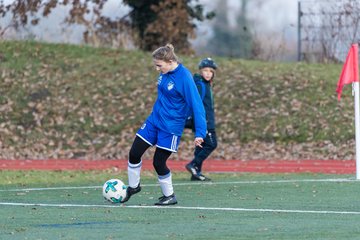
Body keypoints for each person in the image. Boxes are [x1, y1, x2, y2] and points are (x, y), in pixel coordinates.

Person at [120, 44, 207, 206]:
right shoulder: (165, 73)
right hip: (154, 121)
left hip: (170, 127)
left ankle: (170, 196)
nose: (157, 69)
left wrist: (200, 133)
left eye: (159, 65)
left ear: (170, 61)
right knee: (134, 153)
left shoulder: (185, 78)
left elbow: (197, 105)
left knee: (158, 162)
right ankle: (133, 187)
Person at [185, 57, 218, 181]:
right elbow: (195, 103)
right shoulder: (200, 85)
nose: (208, 73)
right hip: (204, 121)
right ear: (200, 71)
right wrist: (199, 120)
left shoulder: (206, 84)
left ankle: (196, 173)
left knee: (200, 146)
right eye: (205, 70)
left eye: (211, 71)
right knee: (212, 144)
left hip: (205, 120)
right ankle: (193, 165)